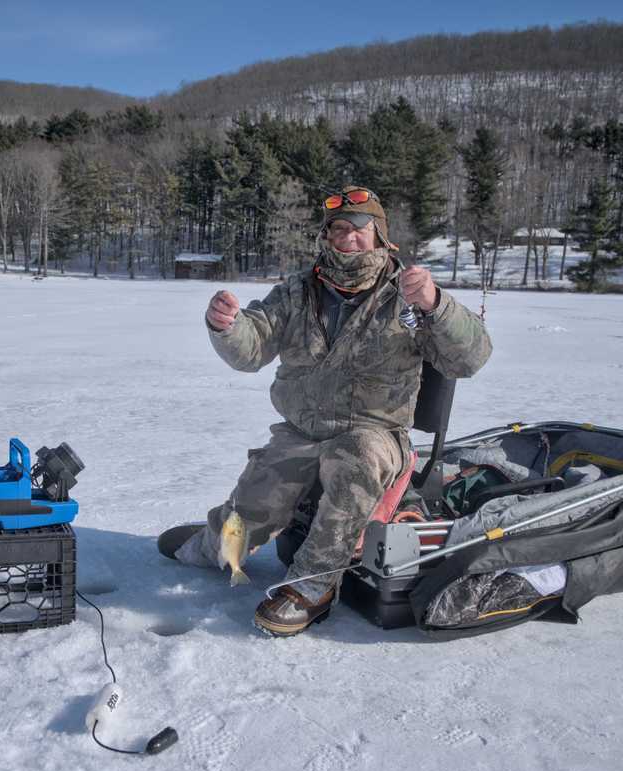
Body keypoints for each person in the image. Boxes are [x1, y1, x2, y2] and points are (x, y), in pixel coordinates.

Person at [157, 186, 493, 636]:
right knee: (255, 500)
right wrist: (228, 327)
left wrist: (437, 306)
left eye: (359, 229)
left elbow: (470, 358)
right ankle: (213, 542)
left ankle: (312, 586)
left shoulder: (408, 294)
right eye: (338, 228)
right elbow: (252, 348)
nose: (348, 237)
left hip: (375, 433)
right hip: (301, 430)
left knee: (358, 457)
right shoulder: (298, 291)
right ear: (327, 235)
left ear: (380, 236)